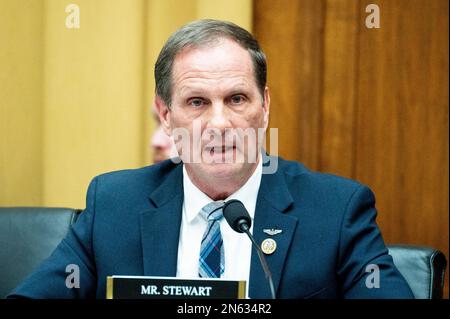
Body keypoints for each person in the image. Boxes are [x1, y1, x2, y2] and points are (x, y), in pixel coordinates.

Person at [8, 19, 413, 299]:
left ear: (265, 106)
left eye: (236, 99)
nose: (219, 123)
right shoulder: (114, 204)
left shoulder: (336, 210)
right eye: (197, 102)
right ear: (166, 115)